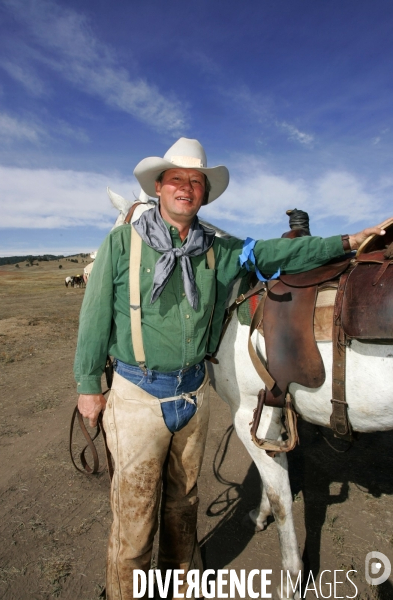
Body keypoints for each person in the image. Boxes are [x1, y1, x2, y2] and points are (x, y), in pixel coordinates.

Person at [74, 137, 384, 600]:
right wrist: (87, 385)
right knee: (135, 517)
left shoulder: (219, 251)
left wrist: (347, 241)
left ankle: (180, 587)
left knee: (184, 507)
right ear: (159, 187)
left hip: (192, 398)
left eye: (195, 181)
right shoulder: (122, 244)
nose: (186, 188)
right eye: (177, 179)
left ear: (204, 193)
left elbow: (278, 255)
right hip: (137, 394)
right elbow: (95, 317)